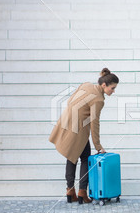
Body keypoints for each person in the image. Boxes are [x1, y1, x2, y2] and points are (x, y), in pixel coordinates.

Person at [49, 68, 119, 204]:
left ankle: (70, 191)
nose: (113, 91)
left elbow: (70, 101)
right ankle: (82, 192)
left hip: (66, 123)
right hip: (78, 129)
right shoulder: (99, 100)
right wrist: (98, 146)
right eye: (112, 88)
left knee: (71, 157)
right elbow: (95, 123)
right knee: (86, 158)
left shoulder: (86, 84)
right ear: (104, 85)